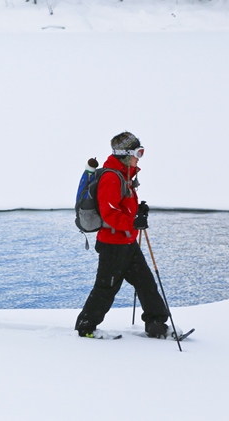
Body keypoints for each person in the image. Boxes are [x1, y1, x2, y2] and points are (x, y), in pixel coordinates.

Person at [75, 131, 169, 338]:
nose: (140, 157)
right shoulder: (111, 177)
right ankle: (85, 328)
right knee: (106, 289)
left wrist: (138, 213)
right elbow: (109, 215)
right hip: (112, 245)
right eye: (139, 152)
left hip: (127, 242)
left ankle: (157, 325)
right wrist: (133, 221)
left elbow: (121, 208)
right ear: (126, 154)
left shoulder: (125, 175)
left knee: (146, 284)